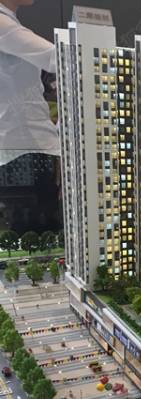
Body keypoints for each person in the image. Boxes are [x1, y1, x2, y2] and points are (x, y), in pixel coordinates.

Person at [0, 0, 62, 231]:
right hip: (22, 147)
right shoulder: (3, 24)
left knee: (39, 229)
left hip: (28, 144)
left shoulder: (9, 21)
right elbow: (55, 57)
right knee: (37, 230)